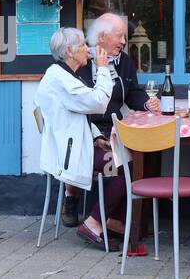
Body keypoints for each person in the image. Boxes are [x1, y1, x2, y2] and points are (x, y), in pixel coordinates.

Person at [35, 27, 137, 253]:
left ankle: (109, 220)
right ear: (70, 51)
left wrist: (97, 137)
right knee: (122, 165)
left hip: (75, 145)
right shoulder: (60, 78)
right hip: (69, 154)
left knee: (121, 159)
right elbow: (99, 102)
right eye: (82, 45)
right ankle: (94, 223)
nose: (86, 49)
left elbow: (75, 115)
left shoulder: (62, 75)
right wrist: (103, 68)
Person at [68, 12, 161, 234]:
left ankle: (114, 219)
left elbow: (132, 93)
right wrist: (96, 136)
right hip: (84, 135)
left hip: (114, 131)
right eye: (119, 36)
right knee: (121, 165)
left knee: (139, 158)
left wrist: (148, 104)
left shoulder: (124, 61)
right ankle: (94, 220)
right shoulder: (80, 62)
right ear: (101, 37)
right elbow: (71, 109)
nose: (123, 41)